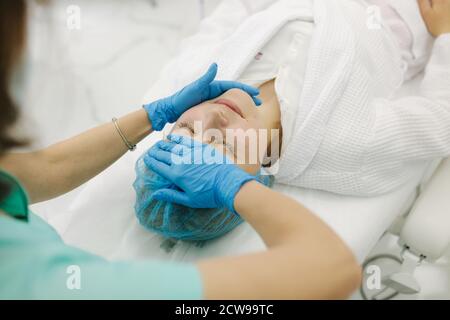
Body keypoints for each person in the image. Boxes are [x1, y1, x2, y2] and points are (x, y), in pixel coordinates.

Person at [0, 1, 361, 299]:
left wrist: (154, 113)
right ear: (262, 169)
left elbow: (45, 169)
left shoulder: (203, 71)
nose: (213, 125)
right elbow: (332, 267)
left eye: (185, 128)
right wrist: (236, 186)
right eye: (222, 150)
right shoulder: (68, 288)